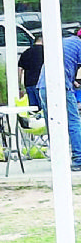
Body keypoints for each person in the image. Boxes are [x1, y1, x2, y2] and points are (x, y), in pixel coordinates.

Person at [37, 34, 81, 171]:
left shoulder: (64, 42)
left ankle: (57, 158)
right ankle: (79, 158)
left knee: (52, 122)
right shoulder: (79, 46)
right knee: (73, 121)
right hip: (59, 86)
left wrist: (72, 79)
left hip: (43, 86)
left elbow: (65, 64)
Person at [18, 34, 44, 109]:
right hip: (41, 84)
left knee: (33, 109)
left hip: (29, 84)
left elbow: (20, 70)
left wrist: (19, 87)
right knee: (43, 109)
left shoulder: (26, 52)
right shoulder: (46, 52)